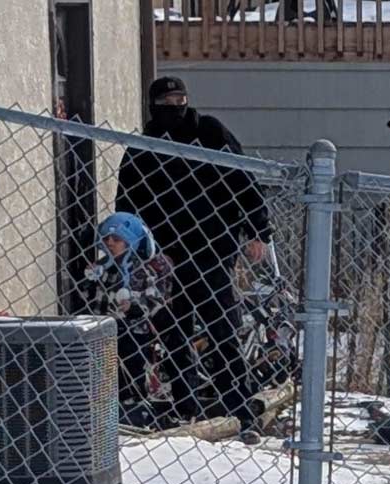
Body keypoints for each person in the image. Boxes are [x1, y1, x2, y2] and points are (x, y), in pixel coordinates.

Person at [115, 76, 272, 438]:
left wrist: (258, 229)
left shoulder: (210, 133)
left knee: (222, 332)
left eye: (180, 98)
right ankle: (186, 409)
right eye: (166, 100)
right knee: (174, 334)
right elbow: (128, 203)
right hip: (165, 256)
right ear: (154, 105)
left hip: (212, 250)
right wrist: (131, 249)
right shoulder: (144, 147)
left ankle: (238, 406)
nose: (175, 106)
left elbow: (242, 179)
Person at [80, 212, 176, 429]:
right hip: (104, 328)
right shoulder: (104, 266)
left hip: (135, 329)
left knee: (132, 369)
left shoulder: (145, 267)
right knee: (104, 370)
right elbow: (92, 297)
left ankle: (134, 409)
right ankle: (109, 411)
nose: (110, 243)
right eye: (106, 239)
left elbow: (156, 297)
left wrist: (134, 306)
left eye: (117, 239)